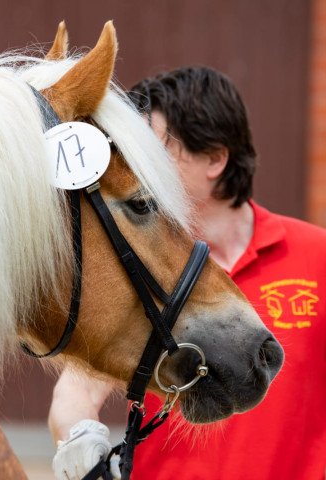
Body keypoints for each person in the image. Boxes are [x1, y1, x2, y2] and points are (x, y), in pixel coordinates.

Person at [48, 66, 326, 480]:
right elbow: (76, 392)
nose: (134, 164)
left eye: (151, 148)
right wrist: (82, 446)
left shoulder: (317, 256)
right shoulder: (142, 267)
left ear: (214, 158)